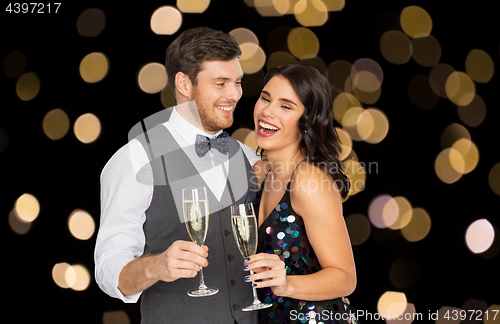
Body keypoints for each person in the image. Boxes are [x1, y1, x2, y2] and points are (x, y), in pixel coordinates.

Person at [94, 27, 261, 324]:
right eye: (220, 83)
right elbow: (108, 269)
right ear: (184, 83)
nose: (235, 94)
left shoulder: (251, 159)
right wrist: (156, 267)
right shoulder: (135, 159)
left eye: (237, 82)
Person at [244, 64, 359, 324]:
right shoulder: (259, 172)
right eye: (265, 98)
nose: (267, 111)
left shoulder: (308, 180)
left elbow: (345, 277)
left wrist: (287, 285)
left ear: (307, 121)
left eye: (286, 106)